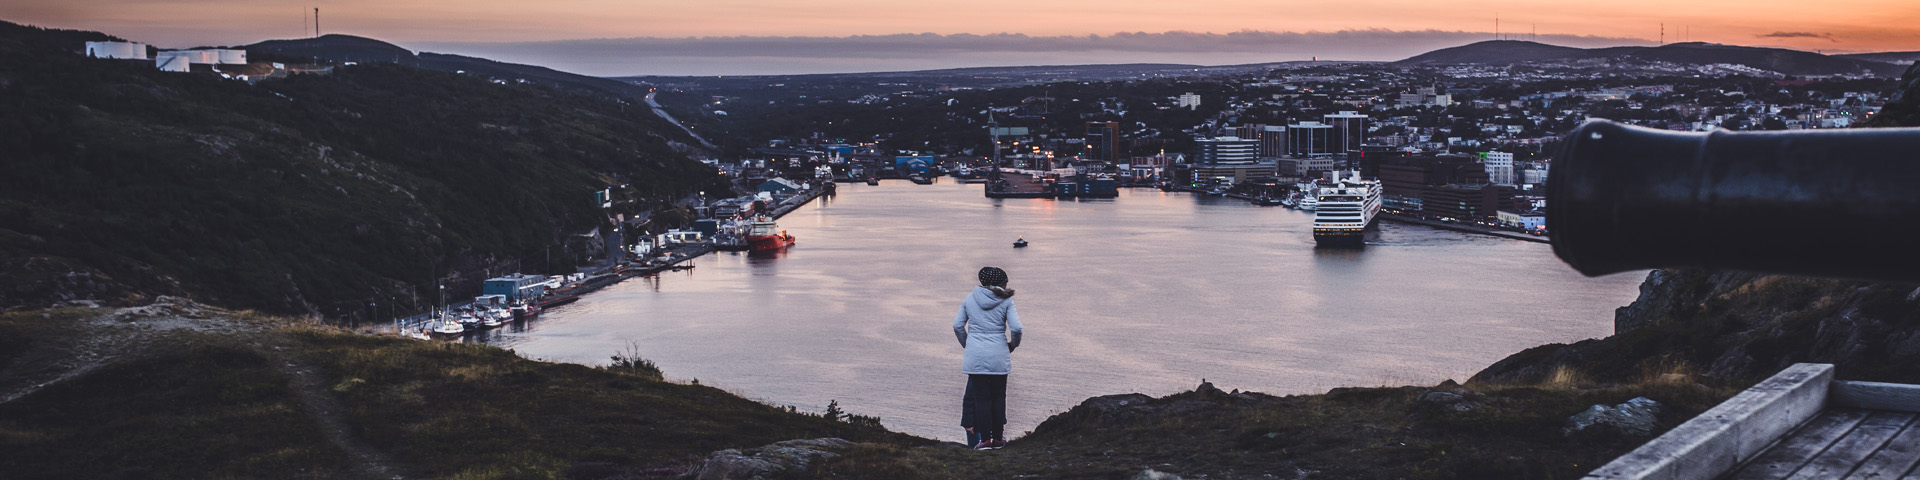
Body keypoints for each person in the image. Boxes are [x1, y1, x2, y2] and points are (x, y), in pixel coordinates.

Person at [953, 266, 1022, 450]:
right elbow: (1016, 329)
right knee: (999, 397)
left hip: (975, 356)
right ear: (1001, 283)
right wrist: (1012, 345)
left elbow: (957, 326)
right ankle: (997, 440)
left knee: (981, 399)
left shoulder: (969, 299)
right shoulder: (1007, 302)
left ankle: (984, 443)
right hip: (998, 353)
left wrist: (968, 345)